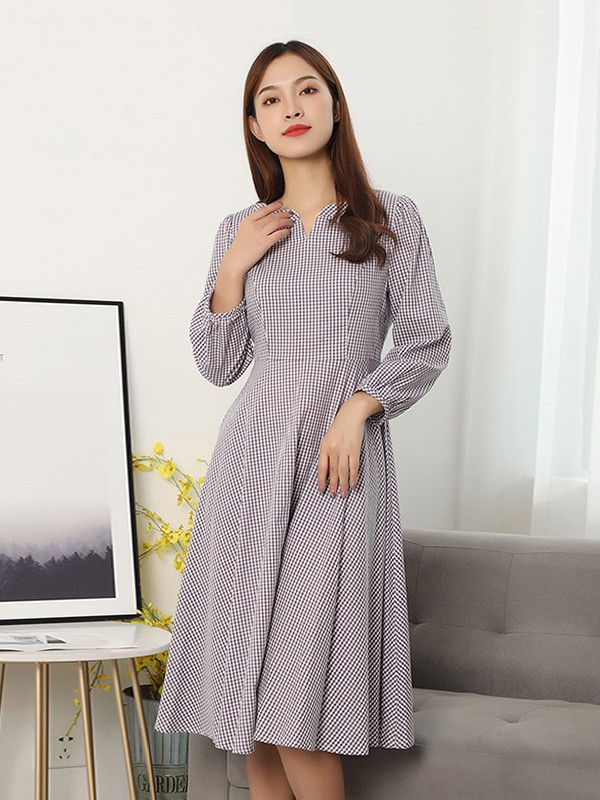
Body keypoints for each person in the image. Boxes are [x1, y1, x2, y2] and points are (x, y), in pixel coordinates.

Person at [155, 39, 451, 800]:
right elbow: (219, 364)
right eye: (271, 99)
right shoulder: (240, 228)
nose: (291, 107)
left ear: (335, 104)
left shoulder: (391, 219)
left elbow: (426, 341)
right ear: (255, 126)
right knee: (254, 704)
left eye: (307, 89)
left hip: (337, 468)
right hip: (252, 463)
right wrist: (233, 266)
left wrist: (359, 406)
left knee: (297, 700)